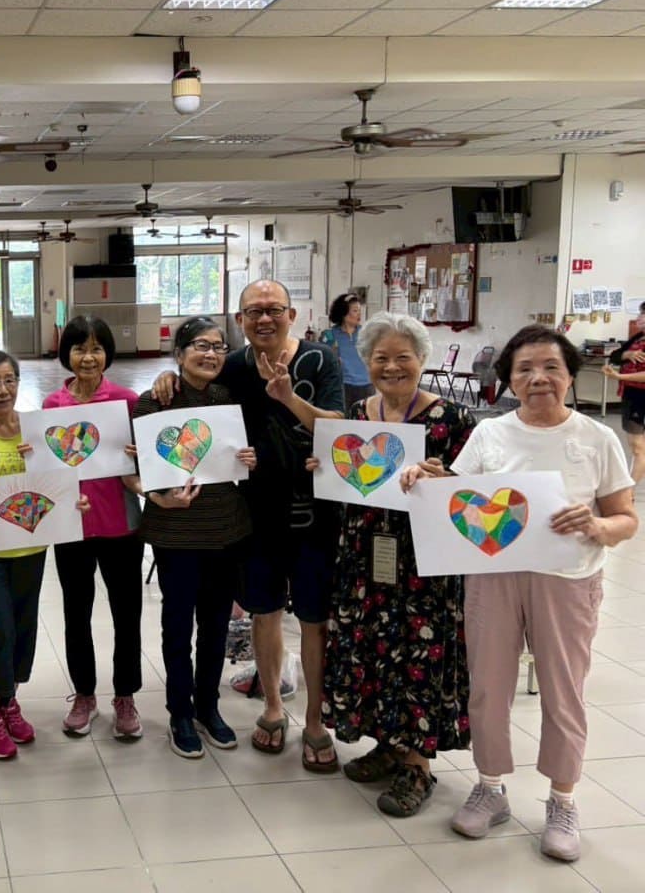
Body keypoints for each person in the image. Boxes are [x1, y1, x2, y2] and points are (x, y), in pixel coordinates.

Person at [404, 325, 638, 861]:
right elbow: (455, 494)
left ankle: (562, 799)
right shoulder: (491, 434)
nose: (538, 378)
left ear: (569, 375)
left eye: (551, 368)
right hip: (493, 578)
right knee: (487, 687)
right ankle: (490, 787)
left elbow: (627, 518)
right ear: (509, 378)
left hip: (568, 580)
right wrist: (423, 475)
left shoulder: (597, 439)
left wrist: (600, 527)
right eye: (525, 369)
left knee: (564, 691)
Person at [153, 280, 344, 770]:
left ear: (291, 314)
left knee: (313, 620)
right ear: (241, 320)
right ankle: (273, 708)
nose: (264, 319)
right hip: (254, 516)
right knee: (262, 612)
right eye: (253, 312)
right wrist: (166, 379)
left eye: (273, 310)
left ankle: (317, 721)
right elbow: (195, 399)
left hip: (313, 513)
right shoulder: (235, 367)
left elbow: (338, 430)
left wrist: (287, 397)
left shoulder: (321, 360)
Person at [316, 313, 475, 817]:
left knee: (418, 657)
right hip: (365, 554)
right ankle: (388, 743)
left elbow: (477, 492)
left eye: (402, 357)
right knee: (370, 648)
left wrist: (445, 476)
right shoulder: (358, 413)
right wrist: (326, 466)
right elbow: (349, 476)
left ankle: (418, 765)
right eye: (380, 358)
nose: (391, 367)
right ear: (365, 362)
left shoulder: (453, 419)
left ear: (423, 359)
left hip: (426, 562)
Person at [132, 317, 256, 759]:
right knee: (177, 624)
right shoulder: (154, 401)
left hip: (226, 528)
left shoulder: (228, 400)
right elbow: (139, 469)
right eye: (200, 346)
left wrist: (249, 457)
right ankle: (179, 712)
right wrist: (158, 496)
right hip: (176, 532)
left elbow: (241, 457)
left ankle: (208, 707)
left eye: (219, 347)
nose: (210, 354)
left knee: (216, 623)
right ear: (179, 353)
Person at [0, 350, 88, 759]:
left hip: (32, 543)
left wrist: (73, 501)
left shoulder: (37, 430)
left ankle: (8, 700)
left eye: (10, 380)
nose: (3, 389)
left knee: (22, 624)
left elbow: (59, 478)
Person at [40, 315, 145, 740]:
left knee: (127, 613)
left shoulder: (127, 400)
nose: (88, 357)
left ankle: (126, 696)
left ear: (107, 354)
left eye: (97, 348)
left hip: (122, 524)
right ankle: (84, 694)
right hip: (72, 526)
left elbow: (147, 464)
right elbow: (47, 468)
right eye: (80, 348)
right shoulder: (53, 406)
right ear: (67, 353)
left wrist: (137, 456)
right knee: (75, 613)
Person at [604, 327, 645, 484]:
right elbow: (615, 356)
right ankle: (630, 488)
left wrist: (619, 375)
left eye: (643, 314)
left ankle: (629, 490)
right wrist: (628, 354)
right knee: (636, 446)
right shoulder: (638, 338)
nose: (640, 318)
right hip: (633, 397)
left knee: (639, 448)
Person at [319, 293, 374, 410]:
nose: (359, 314)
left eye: (360, 310)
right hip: (343, 386)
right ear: (344, 313)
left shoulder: (366, 333)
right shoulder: (329, 335)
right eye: (355, 310)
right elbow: (324, 362)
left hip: (366, 385)